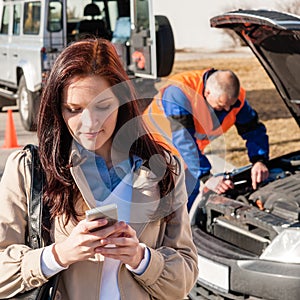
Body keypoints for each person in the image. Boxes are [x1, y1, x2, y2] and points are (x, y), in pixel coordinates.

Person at [0, 39, 198, 299]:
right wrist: (59, 255)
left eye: (103, 107)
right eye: (74, 109)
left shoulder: (164, 169)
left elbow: (184, 276)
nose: (89, 123)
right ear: (57, 109)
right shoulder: (29, 168)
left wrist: (141, 258)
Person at [143, 69, 269, 211]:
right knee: (154, 202)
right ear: (207, 92)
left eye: (230, 105)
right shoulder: (179, 92)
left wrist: (259, 160)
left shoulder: (234, 99)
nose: (227, 109)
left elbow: (253, 130)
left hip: (184, 155)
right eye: (221, 105)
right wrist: (206, 176)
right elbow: (184, 139)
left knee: (187, 198)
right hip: (149, 148)